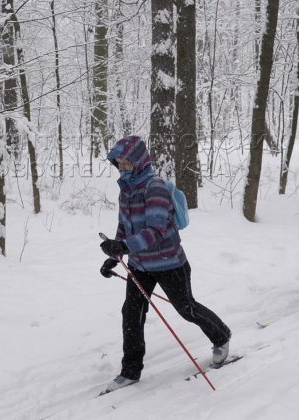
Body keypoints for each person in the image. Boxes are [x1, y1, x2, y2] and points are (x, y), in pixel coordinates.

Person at [98, 135, 231, 393]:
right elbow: (125, 226)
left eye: (126, 163)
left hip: (169, 261)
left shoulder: (154, 187)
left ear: (137, 161)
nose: (122, 168)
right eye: (119, 163)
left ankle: (221, 336)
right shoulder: (126, 190)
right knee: (131, 314)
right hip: (140, 264)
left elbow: (156, 229)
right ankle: (130, 371)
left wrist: (125, 246)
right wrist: (114, 254)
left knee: (186, 308)